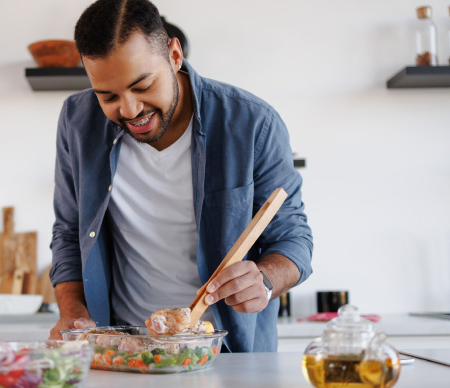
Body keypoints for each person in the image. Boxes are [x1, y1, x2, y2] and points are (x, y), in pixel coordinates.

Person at [47, 0, 313, 352]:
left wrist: (264, 281)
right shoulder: (76, 120)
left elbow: (293, 240)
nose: (129, 110)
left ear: (174, 55)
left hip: (227, 354)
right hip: (122, 350)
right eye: (108, 96)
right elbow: (68, 232)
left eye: (142, 86)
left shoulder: (252, 123)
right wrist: (73, 314)